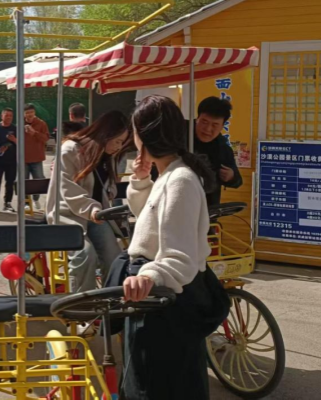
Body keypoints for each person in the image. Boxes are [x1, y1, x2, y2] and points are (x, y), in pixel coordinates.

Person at [123, 95, 228, 399]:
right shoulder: (169, 173)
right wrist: (141, 180)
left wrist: (149, 275)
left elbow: (179, 256)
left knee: (162, 386)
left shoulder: (180, 179)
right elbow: (150, 220)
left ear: (143, 136)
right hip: (156, 294)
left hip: (164, 299)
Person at [46, 110, 132, 293]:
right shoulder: (70, 149)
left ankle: (111, 300)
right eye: (117, 141)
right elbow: (68, 189)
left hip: (96, 216)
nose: (118, 147)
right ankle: (83, 304)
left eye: (122, 143)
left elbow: (107, 188)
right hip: (67, 215)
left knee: (114, 256)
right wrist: (92, 208)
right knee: (85, 255)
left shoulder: (107, 156)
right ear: (106, 134)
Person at [194, 96, 242, 206]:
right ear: (197, 118)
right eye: (204, 122)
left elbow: (238, 181)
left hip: (208, 207)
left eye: (215, 125)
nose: (208, 129)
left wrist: (231, 176)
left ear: (222, 126)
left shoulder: (223, 148)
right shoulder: (179, 134)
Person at [0, 108, 18, 214]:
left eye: (11, 115)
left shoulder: (15, 128)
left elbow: (22, 143)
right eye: (7, 115)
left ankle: (8, 203)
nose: (9, 117)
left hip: (12, 160)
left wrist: (14, 140)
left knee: (10, 182)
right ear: (2, 116)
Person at [23, 104, 50, 210]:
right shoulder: (20, 123)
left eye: (31, 112)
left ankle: (36, 199)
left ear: (34, 112)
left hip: (37, 157)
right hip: (23, 158)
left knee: (38, 179)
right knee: (24, 181)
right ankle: (26, 203)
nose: (30, 115)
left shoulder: (41, 123)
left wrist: (34, 133)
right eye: (27, 113)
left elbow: (46, 138)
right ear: (24, 114)